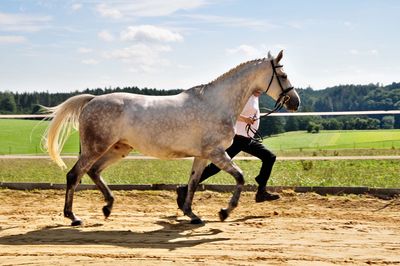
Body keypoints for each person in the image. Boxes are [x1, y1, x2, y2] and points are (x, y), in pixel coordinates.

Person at [176, 89, 279, 210]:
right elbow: (227, 113)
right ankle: (185, 189)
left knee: (269, 157)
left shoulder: (255, 98)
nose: (261, 90)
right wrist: (245, 119)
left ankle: (261, 190)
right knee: (216, 167)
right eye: (259, 87)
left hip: (246, 139)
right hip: (237, 139)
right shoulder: (244, 96)